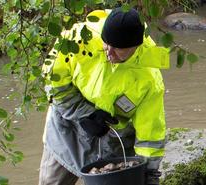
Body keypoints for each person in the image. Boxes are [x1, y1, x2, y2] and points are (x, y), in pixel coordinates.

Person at [39, 8, 168, 185]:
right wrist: (85, 113)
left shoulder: (149, 80)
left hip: (112, 141)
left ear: (135, 47)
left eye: (118, 49)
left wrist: (149, 174)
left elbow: (150, 136)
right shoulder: (78, 39)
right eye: (107, 44)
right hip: (68, 127)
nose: (109, 52)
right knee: (51, 182)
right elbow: (53, 82)